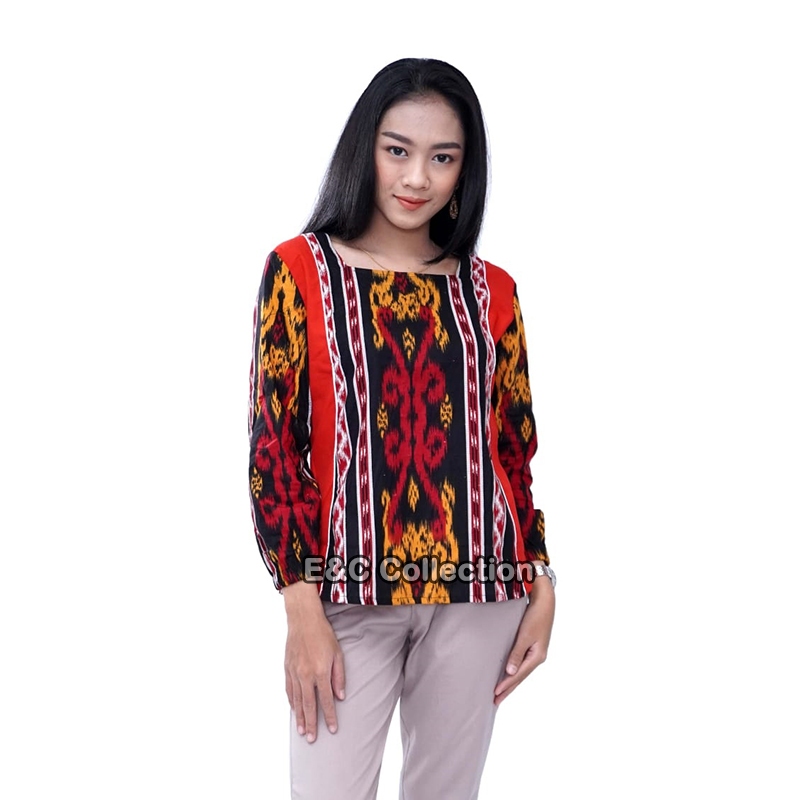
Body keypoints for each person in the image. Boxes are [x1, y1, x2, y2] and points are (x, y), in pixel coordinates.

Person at [248, 57, 555, 800]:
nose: (417, 177)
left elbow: (512, 453)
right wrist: (299, 604)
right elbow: (273, 449)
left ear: (465, 168)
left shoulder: (494, 293)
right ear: (367, 148)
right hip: (347, 598)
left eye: (443, 157)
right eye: (398, 150)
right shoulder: (300, 271)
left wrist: (541, 578)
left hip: (483, 594)